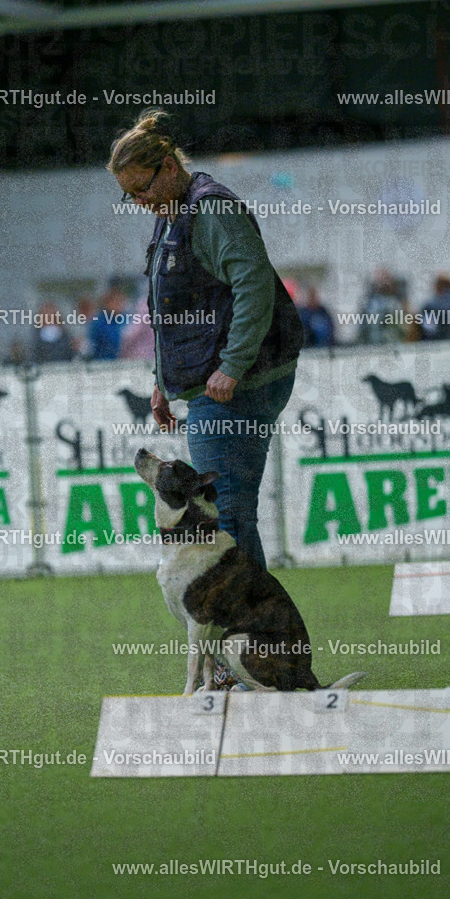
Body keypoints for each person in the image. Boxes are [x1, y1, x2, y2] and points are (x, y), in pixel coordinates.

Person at [107, 108, 303, 570]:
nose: (139, 201)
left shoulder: (210, 209)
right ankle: (253, 631)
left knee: (227, 516)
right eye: (129, 194)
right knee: (226, 515)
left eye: (143, 187)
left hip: (239, 384)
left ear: (170, 167)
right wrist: (164, 380)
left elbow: (254, 285)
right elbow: (170, 309)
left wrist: (232, 366)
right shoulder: (174, 212)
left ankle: (257, 634)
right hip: (215, 384)